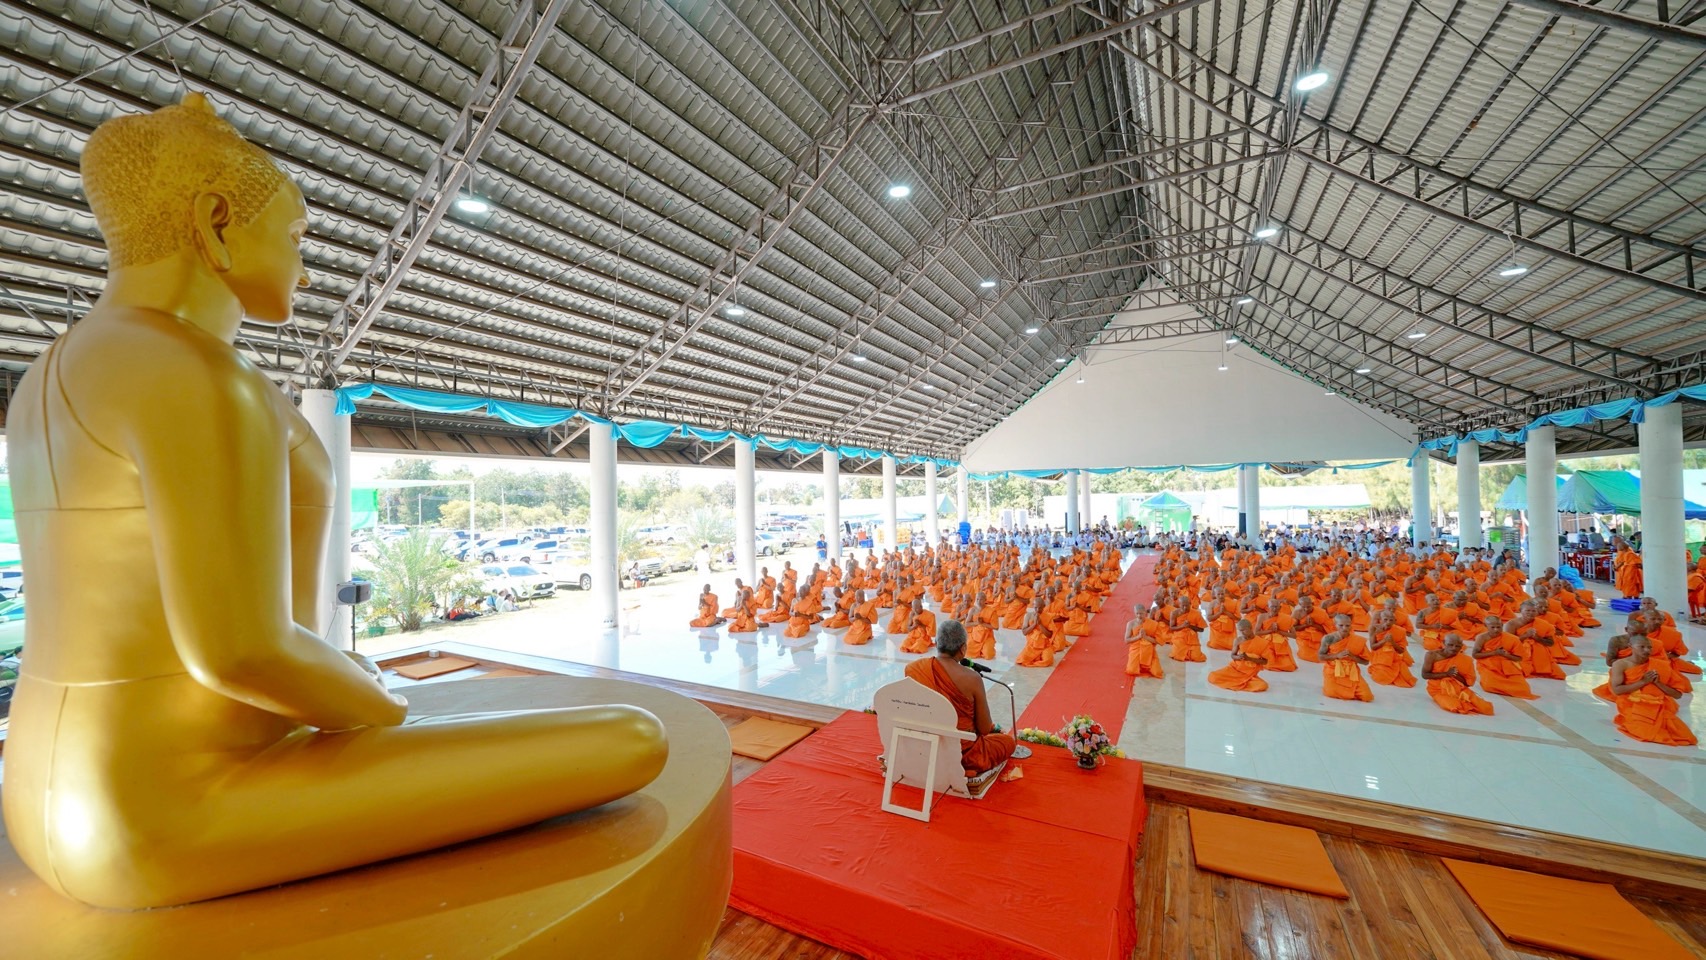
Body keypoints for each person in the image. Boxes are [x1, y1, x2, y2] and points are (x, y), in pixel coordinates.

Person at [0, 95, 667, 910]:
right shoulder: (192, 373)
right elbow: (239, 653)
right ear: (216, 224)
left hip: (41, 788)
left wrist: (337, 673)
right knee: (632, 738)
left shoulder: (51, 370)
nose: (305, 267)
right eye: (295, 236)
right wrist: (380, 704)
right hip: (169, 808)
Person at [902, 620, 1017, 777]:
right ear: (963, 649)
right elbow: (983, 729)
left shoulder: (913, 669)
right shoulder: (972, 678)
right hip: (962, 752)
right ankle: (963, 768)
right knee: (1008, 742)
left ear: (936, 643)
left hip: (924, 745)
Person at [1609, 635, 1696, 746]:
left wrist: (1658, 683)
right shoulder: (1620, 664)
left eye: (1649, 647)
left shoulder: (1660, 665)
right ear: (1630, 646)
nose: (1647, 650)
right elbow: (1617, 690)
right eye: (1642, 647)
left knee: (1686, 737)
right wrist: (1643, 682)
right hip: (1632, 704)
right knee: (1646, 733)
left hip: (1657, 706)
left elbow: (1678, 695)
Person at [1421, 634, 1494, 715]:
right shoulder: (1432, 655)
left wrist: (1456, 675)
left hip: (1459, 689)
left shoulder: (1466, 660)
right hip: (1438, 689)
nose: (1454, 648)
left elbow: (1467, 683)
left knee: (1486, 708)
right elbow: (1425, 675)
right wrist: (1446, 674)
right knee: (1455, 706)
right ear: (1444, 643)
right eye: (1450, 645)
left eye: (1457, 646)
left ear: (1461, 646)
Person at [1207, 619, 1269, 692]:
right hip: (1235, 668)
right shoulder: (1238, 640)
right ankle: (1239, 683)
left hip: (1249, 673)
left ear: (1250, 628)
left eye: (1243, 630)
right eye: (1240, 630)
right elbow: (1233, 655)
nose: (1241, 633)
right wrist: (1239, 657)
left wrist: (1249, 658)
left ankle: (1239, 683)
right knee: (1213, 676)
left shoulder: (1262, 642)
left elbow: (1265, 662)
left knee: (1262, 685)